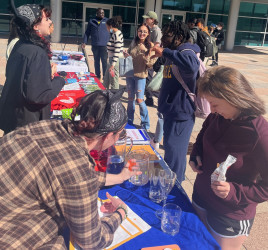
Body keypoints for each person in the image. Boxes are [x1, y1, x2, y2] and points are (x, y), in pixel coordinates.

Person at [0, 88, 140, 249]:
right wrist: (120, 213)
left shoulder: (45, 126)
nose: (117, 140)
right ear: (108, 136)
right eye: (119, 135)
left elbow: (63, 175)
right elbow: (92, 241)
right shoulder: (78, 175)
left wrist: (120, 177)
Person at [189, 66, 268, 250]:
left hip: (229, 213)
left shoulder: (259, 134)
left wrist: (233, 191)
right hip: (201, 196)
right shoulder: (218, 115)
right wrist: (196, 153)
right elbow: (203, 134)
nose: (212, 110)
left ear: (232, 97)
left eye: (214, 104)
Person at [0, 3, 64, 134]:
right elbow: (39, 96)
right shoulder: (36, 52)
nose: (50, 21)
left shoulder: (20, 44)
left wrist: (45, 72)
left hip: (14, 116)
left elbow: (23, 77)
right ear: (35, 26)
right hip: (27, 125)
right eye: (46, 19)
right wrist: (60, 80)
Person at [152, 20, 200, 183]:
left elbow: (192, 66)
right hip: (171, 112)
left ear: (179, 37)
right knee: (171, 153)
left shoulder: (187, 51)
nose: (163, 38)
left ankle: (176, 189)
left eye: (168, 35)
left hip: (181, 115)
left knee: (175, 157)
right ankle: (170, 182)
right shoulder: (174, 52)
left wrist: (165, 52)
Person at [125, 23, 156, 131]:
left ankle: (145, 124)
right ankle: (129, 120)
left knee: (139, 100)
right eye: (140, 31)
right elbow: (129, 53)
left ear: (148, 34)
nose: (142, 33)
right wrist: (126, 54)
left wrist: (145, 51)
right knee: (130, 99)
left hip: (141, 76)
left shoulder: (151, 46)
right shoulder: (134, 42)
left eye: (144, 32)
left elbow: (150, 64)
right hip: (130, 74)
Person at [82, 8, 110, 79]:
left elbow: (112, 31)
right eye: (100, 13)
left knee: (104, 62)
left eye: (103, 13)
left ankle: (105, 76)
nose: (102, 14)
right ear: (97, 14)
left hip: (104, 46)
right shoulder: (92, 21)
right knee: (96, 61)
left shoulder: (107, 21)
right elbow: (87, 33)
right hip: (95, 46)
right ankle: (98, 76)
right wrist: (84, 42)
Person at [143, 11, 162, 107]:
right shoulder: (150, 29)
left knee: (149, 79)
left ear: (153, 20)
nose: (146, 20)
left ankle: (152, 98)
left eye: (147, 18)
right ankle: (149, 98)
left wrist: (149, 52)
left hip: (152, 58)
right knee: (147, 78)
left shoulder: (156, 31)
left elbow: (157, 45)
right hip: (148, 56)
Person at [103, 16, 124, 90]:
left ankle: (114, 97)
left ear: (110, 26)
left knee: (114, 81)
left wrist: (113, 64)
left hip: (115, 60)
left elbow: (117, 50)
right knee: (106, 79)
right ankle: (104, 93)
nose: (107, 29)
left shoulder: (117, 35)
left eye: (107, 27)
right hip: (112, 59)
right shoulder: (116, 34)